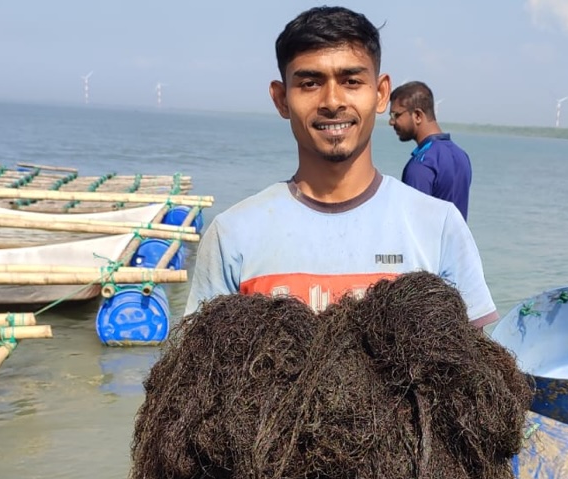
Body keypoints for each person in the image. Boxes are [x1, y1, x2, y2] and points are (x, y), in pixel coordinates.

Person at [184, 6, 498, 328]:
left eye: (351, 81)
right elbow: (201, 369)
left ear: (380, 94)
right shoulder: (233, 236)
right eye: (309, 83)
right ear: (281, 99)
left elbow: (469, 368)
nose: (332, 101)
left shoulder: (440, 227)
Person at [389, 81, 473, 220]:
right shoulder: (462, 156)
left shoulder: (421, 164)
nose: (391, 122)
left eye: (396, 115)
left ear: (417, 115)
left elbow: (412, 224)